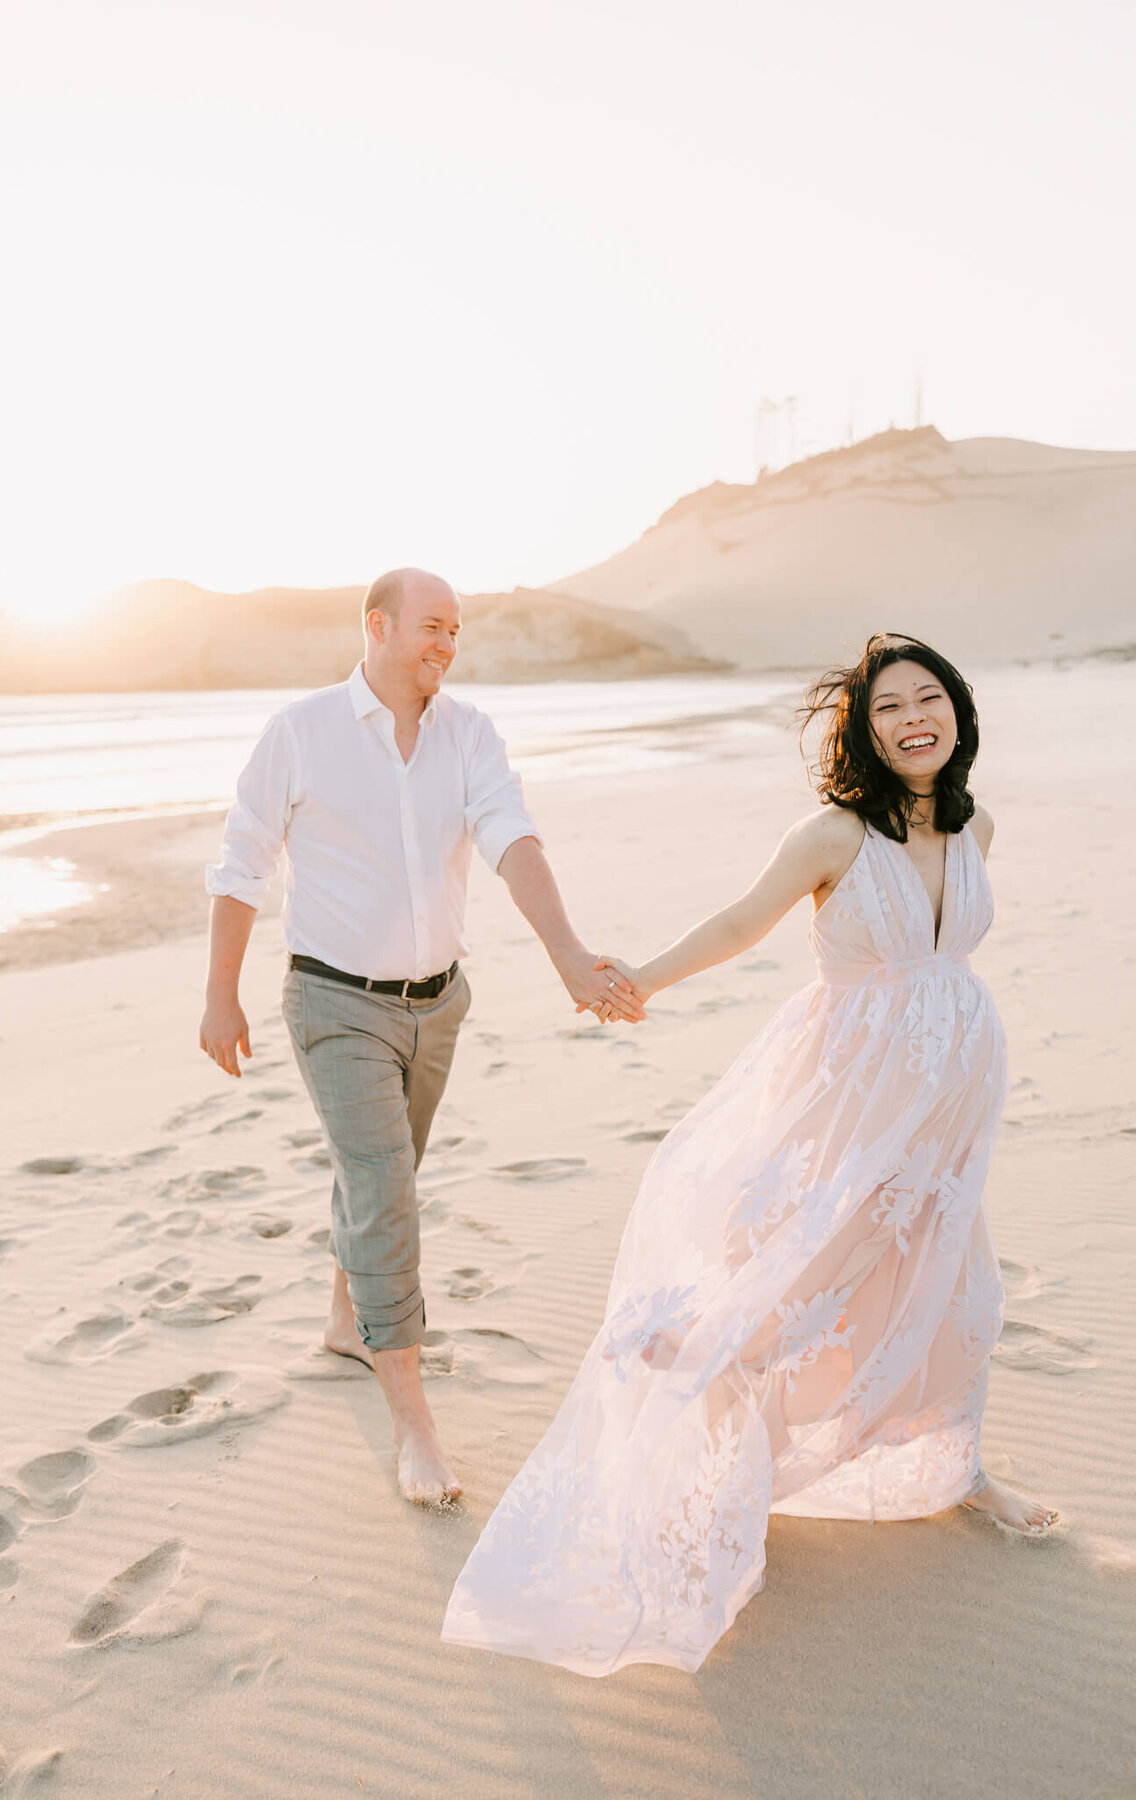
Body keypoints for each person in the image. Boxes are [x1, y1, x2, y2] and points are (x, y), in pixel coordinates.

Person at [442, 632, 1057, 1677]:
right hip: (852, 1098)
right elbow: (739, 922)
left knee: (948, 1278)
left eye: (929, 700)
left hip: (950, 1099)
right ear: (865, 733)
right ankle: (692, 1427)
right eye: (890, 709)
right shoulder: (832, 835)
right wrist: (636, 977)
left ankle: (959, 1468)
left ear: (957, 712)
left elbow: (947, 962)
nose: (914, 719)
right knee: (798, 1274)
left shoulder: (975, 825)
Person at [199, 568, 643, 1506]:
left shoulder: (469, 734)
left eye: (456, 631)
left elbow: (512, 839)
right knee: (383, 1184)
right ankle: (415, 1430)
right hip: (331, 999)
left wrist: (567, 954)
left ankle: (341, 1318)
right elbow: (241, 864)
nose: (447, 644)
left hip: (438, 1003)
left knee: (383, 1171)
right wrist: (219, 997)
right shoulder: (302, 732)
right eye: (433, 627)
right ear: (378, 627)